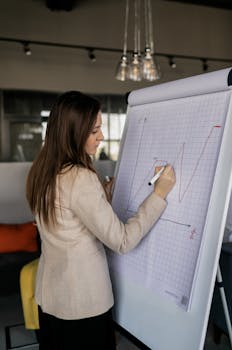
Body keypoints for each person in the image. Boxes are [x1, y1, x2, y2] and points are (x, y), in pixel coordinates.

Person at [26, 91, 176, 350]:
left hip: (51, 299)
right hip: (82, 307)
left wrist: (101, 197)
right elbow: (123, 241)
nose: (102, 137)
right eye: (94, 131)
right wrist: (159, 193)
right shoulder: (79, 178)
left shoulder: (42, 170)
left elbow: (64, 221)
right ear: (73, 132)